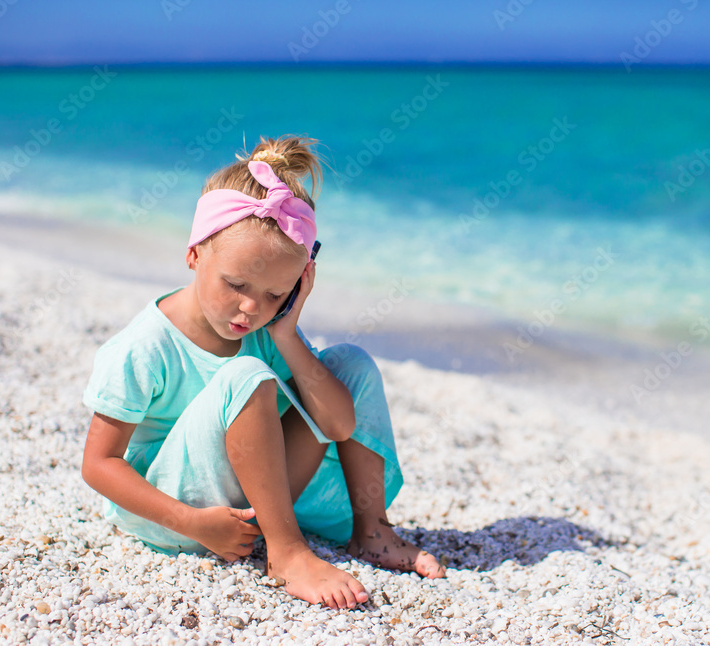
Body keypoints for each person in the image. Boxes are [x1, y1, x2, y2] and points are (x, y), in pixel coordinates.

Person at [80, 135, 445, 610]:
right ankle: (287, 551)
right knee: (245, 375)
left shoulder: (267, 329)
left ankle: (372, 530)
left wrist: (288, 333)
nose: (250, 308)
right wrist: (191, 522)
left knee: (348, 363)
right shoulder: (144, 346)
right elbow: (98, 464)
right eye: (235, 284)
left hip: (256, 496)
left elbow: (337, 425)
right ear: (194, 254)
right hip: (180, 511)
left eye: (276, 295)